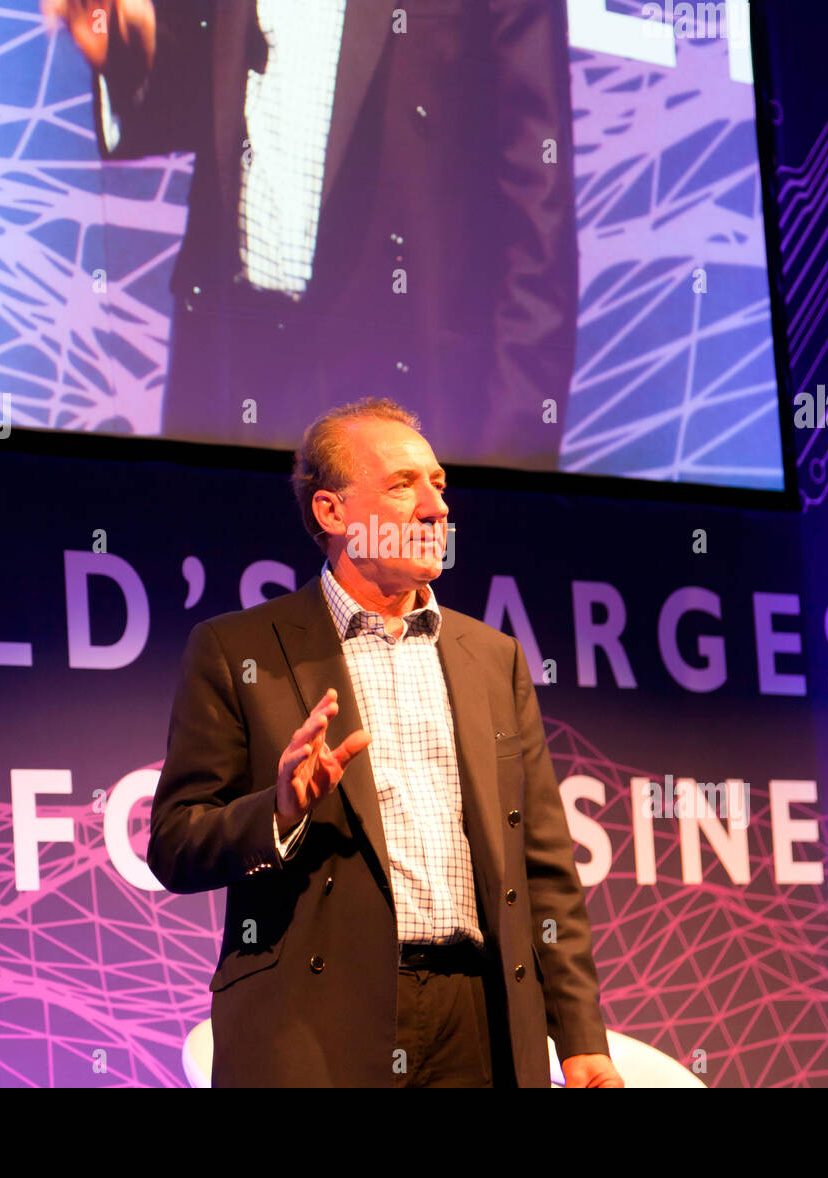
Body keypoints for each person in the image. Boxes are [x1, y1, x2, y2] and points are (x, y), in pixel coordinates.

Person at [148, 396, 623, 1086]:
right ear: (333, 514)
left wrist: (579, 1036)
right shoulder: (239, 650)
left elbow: (543, 867)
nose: (436, 507)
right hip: (319, 1021)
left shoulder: (492, 657)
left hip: (479, 1019)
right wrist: (279, 812)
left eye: (438, 484)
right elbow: (175, 843)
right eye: (404, 485)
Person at [45, 0, 578, 469]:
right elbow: (212, 90)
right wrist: (129, 54)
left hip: (397, 398)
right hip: (232, 373)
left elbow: (537, 209)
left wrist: (513, 464)